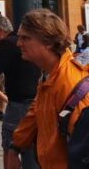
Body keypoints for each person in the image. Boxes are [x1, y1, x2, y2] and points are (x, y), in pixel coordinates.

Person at [7, 9, 89, 169]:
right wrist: (15, 147)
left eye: (25, 38)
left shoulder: (69, 83)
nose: (18, 43)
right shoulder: (50, 75)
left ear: (49, 42)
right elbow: (35, 113)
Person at [0, 13, 40, 169]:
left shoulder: (8, 44)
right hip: (36, 98)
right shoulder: (25, 42)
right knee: (34, 144)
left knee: (10, 145)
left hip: (19, 102)